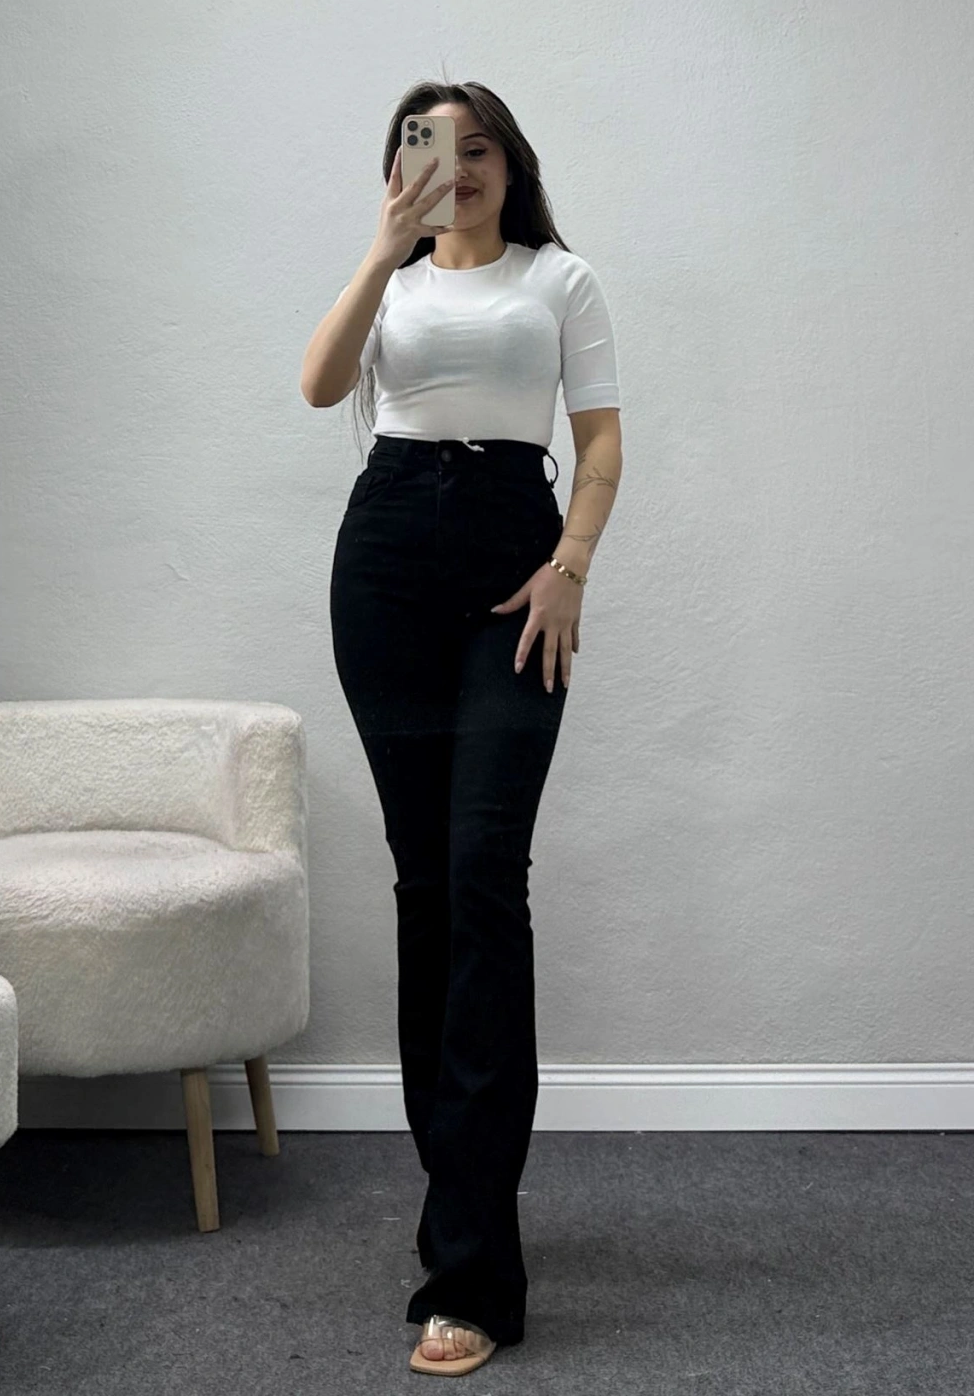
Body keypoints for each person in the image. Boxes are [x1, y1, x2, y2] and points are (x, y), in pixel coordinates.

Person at [301, 79, 623, 1377]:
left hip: (512, 564)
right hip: (385, 561)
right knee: (426, 886)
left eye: (478, 147)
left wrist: (570, 567)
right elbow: (320, 385)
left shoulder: (560, 281)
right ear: (402, 168)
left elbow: (600, 446)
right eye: (434, 147)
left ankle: (472, 1273)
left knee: (485, 874)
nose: (461, 166)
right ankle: (463, 1200)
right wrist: (384, 247)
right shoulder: (391, 284)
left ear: (510, 162)